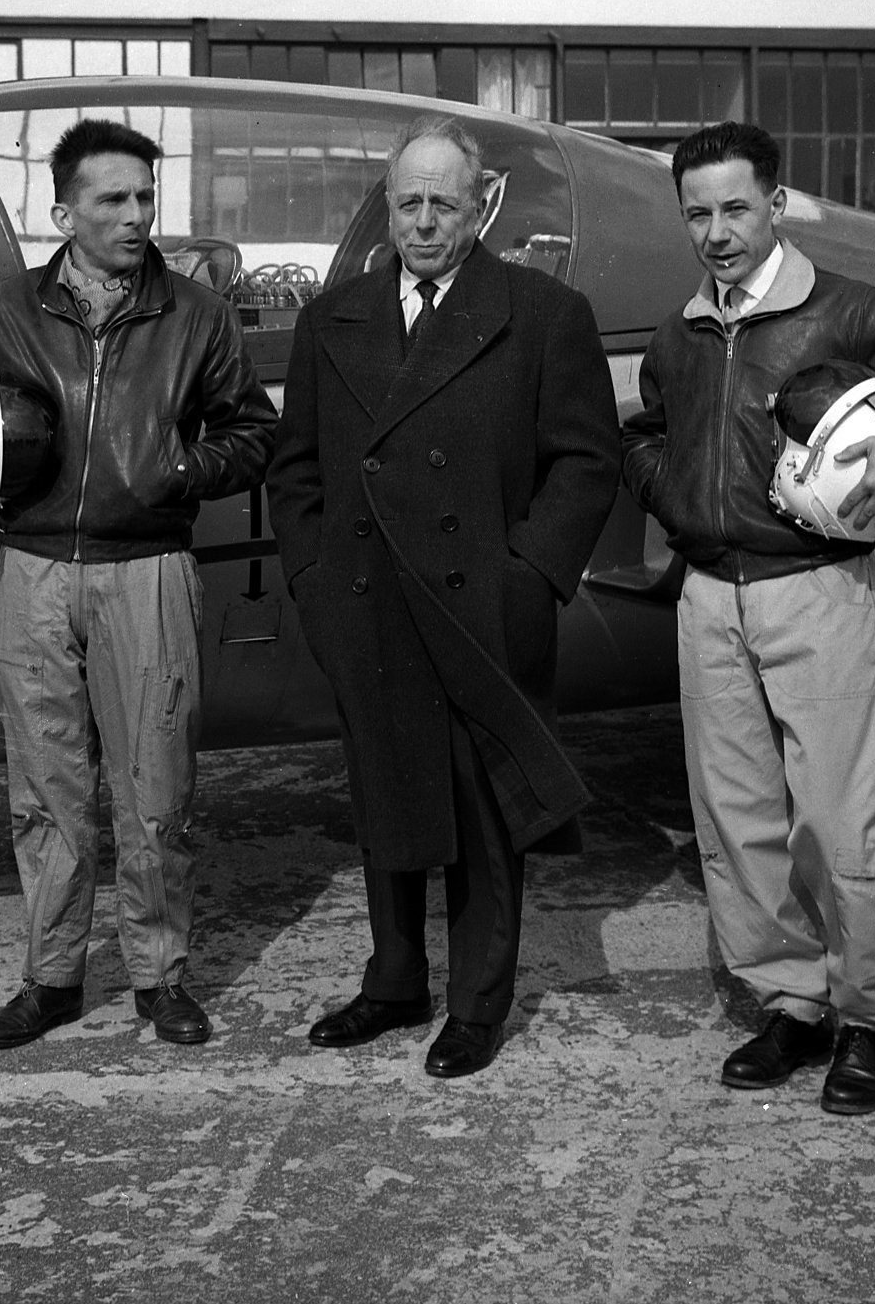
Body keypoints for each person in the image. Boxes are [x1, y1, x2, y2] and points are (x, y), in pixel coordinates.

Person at [622, 120, 875, 1114]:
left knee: (847, 821)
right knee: (737, 821)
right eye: (698, 212)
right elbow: (649, 432)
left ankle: (869, 1016)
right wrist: (668, 493)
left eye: (735, 207)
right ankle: (790, 1002)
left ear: (777, 203)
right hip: (710, 598)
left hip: (822, 591)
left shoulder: (844, 311)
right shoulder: (678, 334)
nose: (717, 231)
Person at [0, 119, 276, 1051]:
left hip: (150, 574)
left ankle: (159, 978)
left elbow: (252, 436)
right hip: (35, 574)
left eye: (145, 197)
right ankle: (51, 979)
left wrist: (176, 467)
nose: (136, 216)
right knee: (44, 791)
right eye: (112, 200)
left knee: (156, 789)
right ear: (64, 211)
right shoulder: (10, 309)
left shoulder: (197, 317)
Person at [267, 115, 620, 1079]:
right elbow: (296, 474)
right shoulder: (332, 317)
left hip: (483, 608)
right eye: (408, 201)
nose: (424, 222)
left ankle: (476, 1000)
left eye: (444, 204)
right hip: (369, 601)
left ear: (481, 208)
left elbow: (588, 464)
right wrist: (316, 585)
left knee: (483, 811)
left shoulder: (542, 314)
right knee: (387, 787)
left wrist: (528, 578)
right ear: (389, 203)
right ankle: (394, 980)